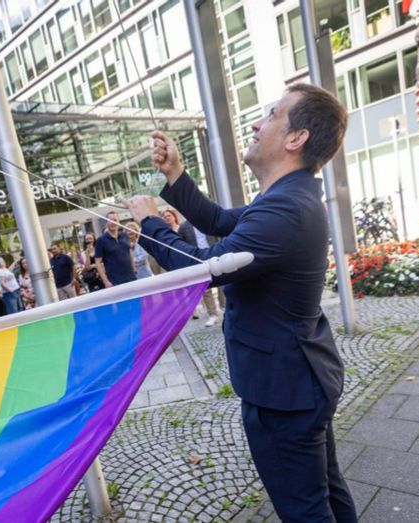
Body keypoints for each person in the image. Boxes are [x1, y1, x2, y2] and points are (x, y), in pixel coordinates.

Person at [124, 84, 356, 521]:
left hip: (284, 391)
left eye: (271, 114)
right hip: (298, 380)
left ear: (295, 138)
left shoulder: (285, 209)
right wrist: (174, 173)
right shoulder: (285, 198)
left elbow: (200, 267)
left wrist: (150, 223)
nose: (255, 123)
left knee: (305, 509)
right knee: (325, 493)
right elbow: (216, 220)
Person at [177, 218, 223, 328]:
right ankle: (213, 314)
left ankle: (224, 307)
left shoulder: (207, 220)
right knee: (205, 288)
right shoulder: (184, 227)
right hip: (198, 259)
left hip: (214, 254)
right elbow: (181, 244)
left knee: (222, 284)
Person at [94, 211, 137, 288]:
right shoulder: (100, 241)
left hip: (132, 277)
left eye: (115, 220)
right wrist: (106, 281)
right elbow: (98, 263)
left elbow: (129, 252)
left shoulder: (124, 235)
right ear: (106, 223)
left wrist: (134, 269)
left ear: (118, 222)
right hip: (115, 281)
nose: (112, 223)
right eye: (110, 220)